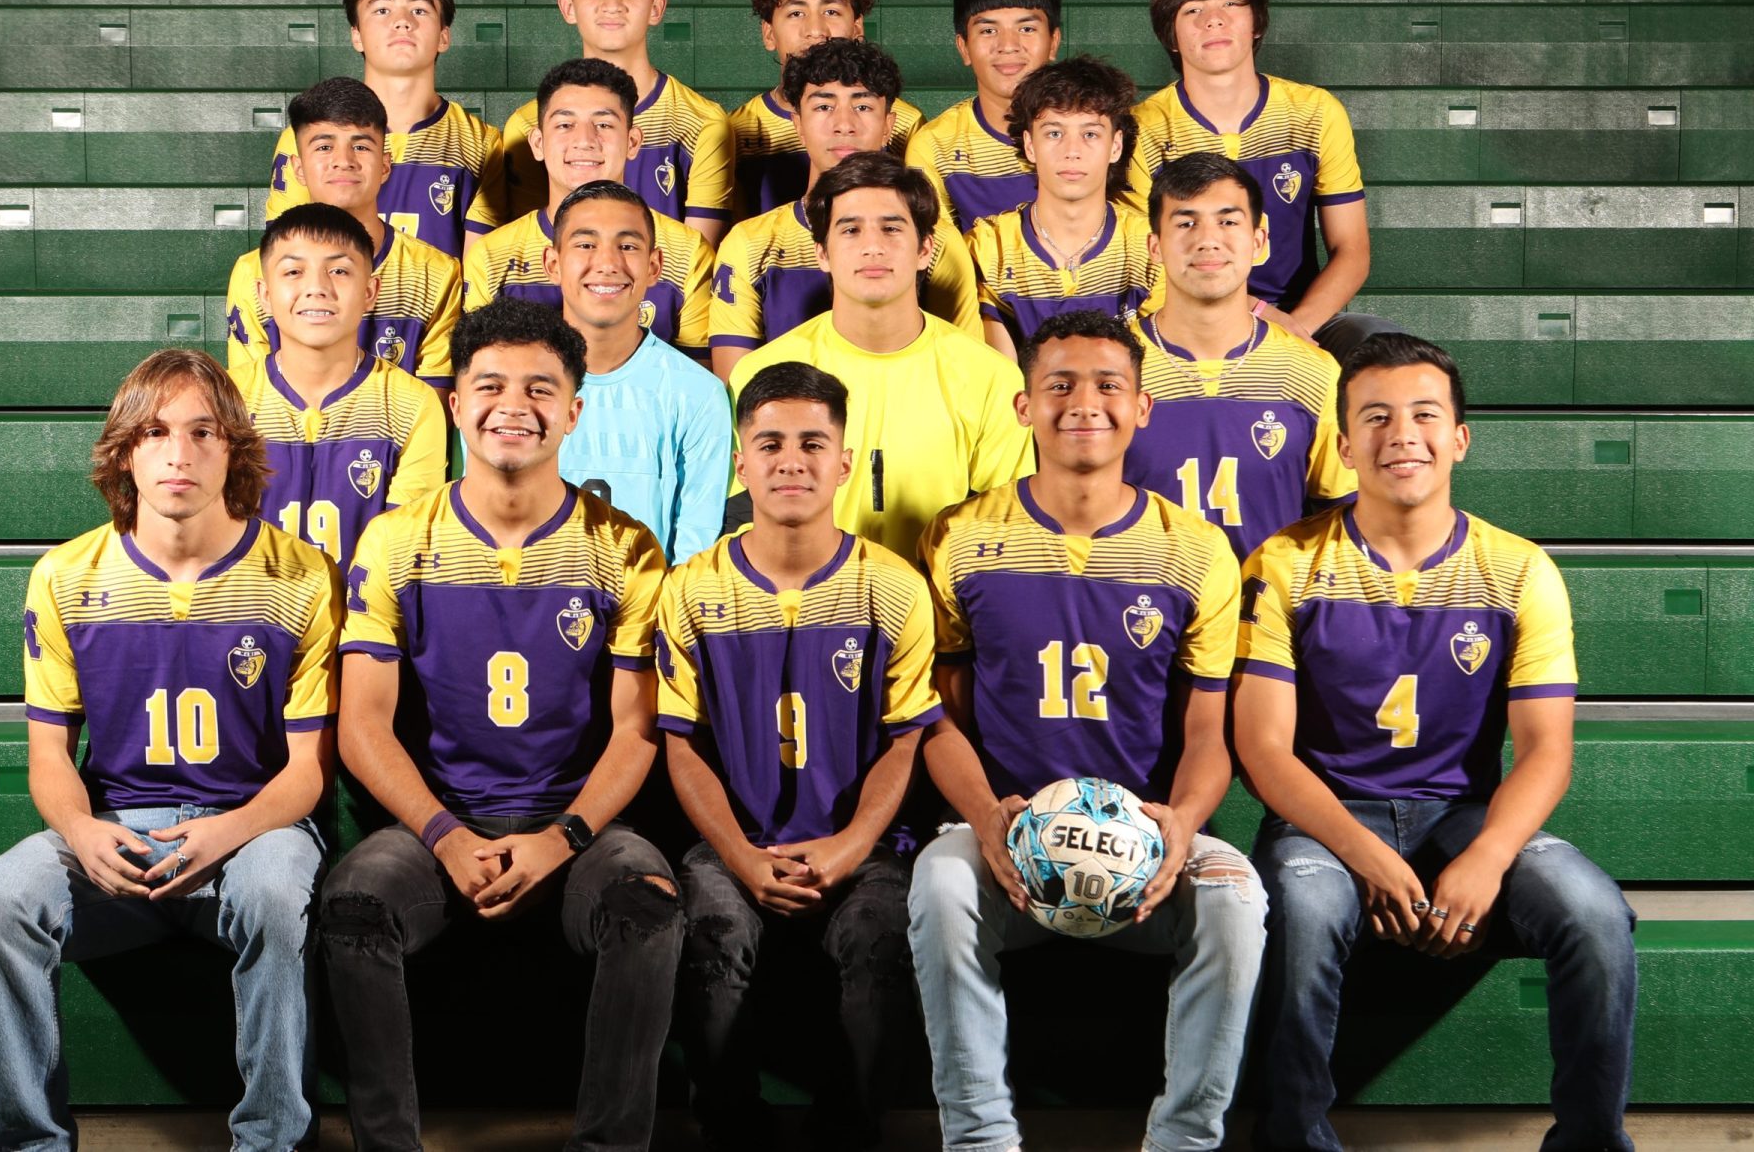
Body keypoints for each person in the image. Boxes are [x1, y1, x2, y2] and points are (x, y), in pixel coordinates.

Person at [1233, 333, 1637, 1151]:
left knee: (1595, 913)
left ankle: (1593, 1142)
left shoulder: (1518, 569)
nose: (1400, 435)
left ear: (1459, 437)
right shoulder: (1284, 563)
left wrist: (1486, 857)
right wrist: (1367, 855)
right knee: (1305, 910)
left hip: (1461, 812)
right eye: (1374, 417)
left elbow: (1547, 750)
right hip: (1324, 818)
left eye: (1424, 414)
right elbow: (1265, 750)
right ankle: (1293, 1138)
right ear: (1344, 445)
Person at [319, 298, 683, 1152]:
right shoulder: (397, 540)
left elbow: (635, 732)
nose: (512, 405)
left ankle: (611, 1146)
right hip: (438, 827)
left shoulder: (623, 549)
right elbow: (362, 724)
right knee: (354, 905)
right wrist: (444, 836)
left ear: (573, 411)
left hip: (577, 828)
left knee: (649, 902)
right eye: (489, 385)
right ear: (455, 402)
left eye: (538, 388)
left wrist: (563, 837)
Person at [0, 348, 341, 1152]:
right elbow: (50, 755)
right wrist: (85, 832)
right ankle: (32, 1144)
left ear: (233, 447)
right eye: (157, 431)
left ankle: (274, 1143)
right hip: (120, 833)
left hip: (251, 829)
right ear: (125, 450)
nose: (180, 452)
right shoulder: (65, 576)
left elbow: (307, 772)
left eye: (204, 431)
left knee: (276, 893)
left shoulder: (301, 575)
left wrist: (226, 831)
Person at [908, 310, 1266, 1152]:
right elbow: (939, 717)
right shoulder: (961, 537)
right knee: (940, 884)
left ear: (1143, 408)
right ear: (1023, 406)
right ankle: (981, 1139)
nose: (1084, 403)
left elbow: (1209, 731)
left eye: (1109, 386)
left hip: (1143, 836)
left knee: (1236, 895)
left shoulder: (1196, 550)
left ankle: (1185, 1140)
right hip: (1003, 831)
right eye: (1059, 385)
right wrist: (990, 819)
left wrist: (1180, 824)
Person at [661, 362, 937, 1151]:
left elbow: (904, 741)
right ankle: (732, 1128)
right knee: (712, 929)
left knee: (881, 938)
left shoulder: (893, 587)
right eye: (770, 443)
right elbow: (682, 749)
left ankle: (847, 1133)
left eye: (814, 443)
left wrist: (851, 846)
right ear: (740, 463)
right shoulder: (691, 589)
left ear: (845, 462)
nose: (792, 460)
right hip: (734, 841)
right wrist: (742, 856)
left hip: (862, 843)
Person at [726, 152, 1030, 560]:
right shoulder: (760, 373)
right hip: (808, 610)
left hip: (942, 610)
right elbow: (744, 523)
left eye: (891, 229)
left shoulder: (991, 377)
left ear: (925, 249)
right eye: (850, 230)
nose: (872, 247)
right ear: (822, 253)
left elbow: (1003, 532)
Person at [1131, 0, 1392, 361]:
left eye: (1230, 5)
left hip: (1302, 318)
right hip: (1189, 317)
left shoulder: (1314, 112)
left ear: (1257, 23)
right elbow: (1147, 262)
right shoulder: (1145, 128)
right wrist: (1256, 315)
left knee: (1383, 346)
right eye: (1193, 9)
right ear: (1170, 35)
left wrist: (1295, 329)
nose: (1213, 20)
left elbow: (1352, 249)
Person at [1123, 153, 1355, 561]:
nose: (1207, 239)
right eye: (1185, 222)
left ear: (1259, 241)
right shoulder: (1113, 369)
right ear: (1155, 247)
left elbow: (1340, 526)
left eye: (1228, 221)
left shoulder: (1311, 372)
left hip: (1265, 616)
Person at [712, 39, 981, 381]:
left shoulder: (935, 239)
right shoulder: (750, 243)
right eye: (823, 107)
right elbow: (737, 387)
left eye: (863, 107)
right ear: (798, 123)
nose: (844, 124)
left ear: (888, 125)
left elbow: (963, 368)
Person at [231, 204, 447, 566]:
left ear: (370, 291)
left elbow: (401, 555)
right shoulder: (224, 401)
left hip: (367, 618)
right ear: (264, 294)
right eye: (294, 271)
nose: (317, 287)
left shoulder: (413, 405)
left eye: (339, 270)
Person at [465, 57, 715, 360]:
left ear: (633, 141)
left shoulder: (686, 252)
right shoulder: (492, 258)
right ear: (538, 143)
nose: (584, 140)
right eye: (565, 124)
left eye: (604, 124)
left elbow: (695, 382)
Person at [501, 0, 732, 248]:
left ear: (656, 8)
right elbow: (532, 244)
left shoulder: (702, 123)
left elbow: (696, 260)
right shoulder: (527, 124)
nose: (613, 4)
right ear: (569, 7)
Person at [232, 76, 465, 395]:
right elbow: (251, 404)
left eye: (360, 146)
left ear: (385, 166)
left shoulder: (436, 274)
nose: (343, 161)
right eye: (325, 146)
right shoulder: (253, 273)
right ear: (298, 169)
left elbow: (433, 413)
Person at [265, 0, 503, 261]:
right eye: (382, 10)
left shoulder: (482, 144)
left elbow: (477, 280)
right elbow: (286, 259)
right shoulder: (308, 137)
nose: (402, 22)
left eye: (419, 9)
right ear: (357, 36)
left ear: (444, 36)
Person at [544, 180, 731, 562]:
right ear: (553, 264)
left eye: (627, 246)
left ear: (654, 266)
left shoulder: (697, 394)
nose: (609, 264)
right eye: (585, 245)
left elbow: (693, 555)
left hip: (650, 614)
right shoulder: (511, 388)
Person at [966, 54, 1156, 358]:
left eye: (1090, 134)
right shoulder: (989, 247)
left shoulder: (1149, 244)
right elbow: (997, 377)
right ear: (1030, 145)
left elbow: (1151, 367)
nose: (1072, 151)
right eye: (1054, 133)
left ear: (1115, 146)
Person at [730, 0, 922, 220]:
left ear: (857, 28)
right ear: (769, 33)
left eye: (831, 11)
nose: (816, 30)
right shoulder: (739, 130)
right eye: (796, 13)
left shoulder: (904, 123)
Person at [905, 0, 1061, 234]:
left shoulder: (1097, 132)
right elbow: (940, 258)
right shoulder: (935, 146)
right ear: (963, 48)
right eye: (989, 30)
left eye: (1026, 29)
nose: (1008, 45)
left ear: (1054, 42)